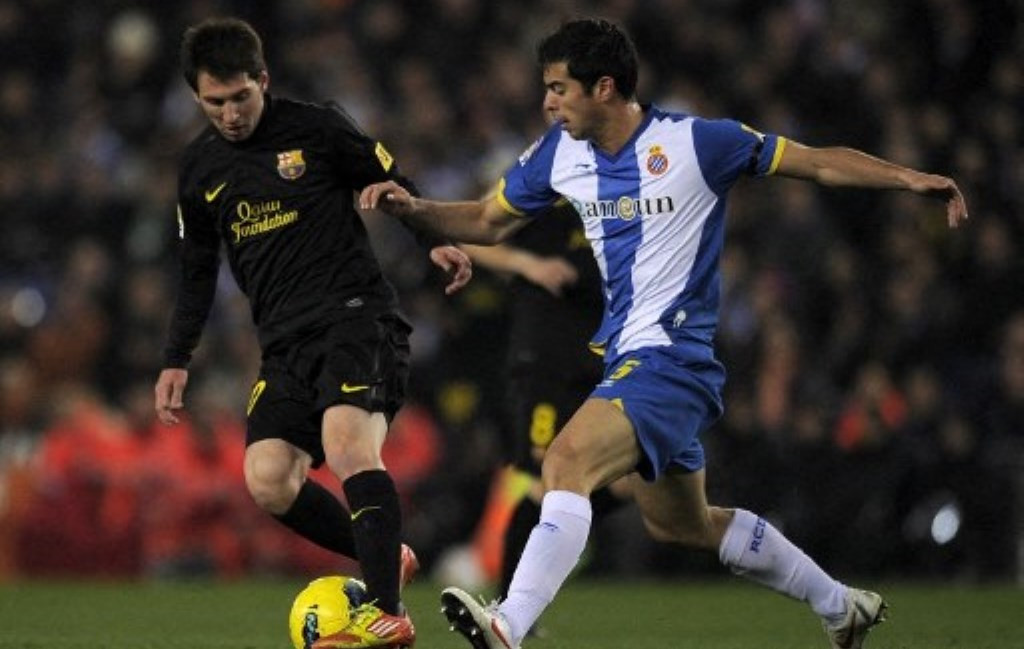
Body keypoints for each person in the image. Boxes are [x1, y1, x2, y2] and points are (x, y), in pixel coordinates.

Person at [359, 17, 968, 649]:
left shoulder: (700, 143)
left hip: (673, 359)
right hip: (627, 359)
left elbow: (815, 165)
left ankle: (509, 625)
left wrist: (909, 178)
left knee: (564, 462)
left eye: (559, 88)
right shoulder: (559, 153)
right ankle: (841, 605)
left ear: (603, 88)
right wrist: (415, 207)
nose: (547, 102)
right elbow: (488, 218)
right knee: (686, 524)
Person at [152, 17, 471, 649]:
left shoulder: (318, 127)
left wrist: (435, 239)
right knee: (268, 477)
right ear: (197, 97)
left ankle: (387, 614)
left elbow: (392, 181)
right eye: (215, 102)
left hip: (357, 318)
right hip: (284, 345)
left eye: (241, 96)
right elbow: (195, 270)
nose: (231, 114)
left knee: (347, 440)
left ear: (262, 81)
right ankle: (384, 551)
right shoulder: (198, 169)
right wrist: (176, 358)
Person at [461, 201, 630, 610]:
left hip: (605, 359)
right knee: (546, 476)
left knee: (627, 481)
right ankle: (510, 604)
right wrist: (527, 264)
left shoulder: (622, 196)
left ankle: (524, 592)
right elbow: (471, 232)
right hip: (547, 364)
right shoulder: (545, 188)